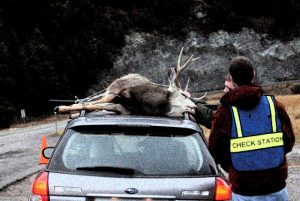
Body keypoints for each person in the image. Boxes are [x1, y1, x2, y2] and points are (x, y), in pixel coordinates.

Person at [208, 56, 295, 200]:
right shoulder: (275, 106)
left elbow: (216, 150)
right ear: (253, 74)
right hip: (276, 189)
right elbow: (289, 142)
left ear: (232, 79)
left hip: (243, 192)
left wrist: (236, 166)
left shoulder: (224, 113)